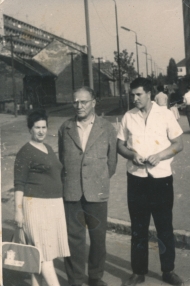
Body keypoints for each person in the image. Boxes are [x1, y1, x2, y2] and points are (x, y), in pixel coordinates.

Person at [117, 78, 183, 286]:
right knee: (138, 227)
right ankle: (138, 272)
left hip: (161, 179)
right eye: (132, 94)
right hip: (136, 179)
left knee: (164, 226)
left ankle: (168, 271)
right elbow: (120, 145)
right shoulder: (129, 117)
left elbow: (178, 144)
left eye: (138, 94)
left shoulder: (165, 114)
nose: (134, 98)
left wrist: (160, 156)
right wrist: (131, 154)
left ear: (149, 94)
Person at [58, 86, 117, 286]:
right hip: (72, 191)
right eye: (75, 102)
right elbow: (62, 159)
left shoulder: (107, 128)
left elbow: (112, 162)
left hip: (97, 191)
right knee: (73, 238)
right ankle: (74, 279)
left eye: (83, 102)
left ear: (93, 103)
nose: (79, 106)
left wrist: (97, 179)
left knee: (98, 238)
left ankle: (95, 277)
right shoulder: (64, 127)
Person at [14, 109, 70, 286]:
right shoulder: (25, 152)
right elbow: (19, 184)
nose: (41, 131)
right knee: (43, 254)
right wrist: (18, 212)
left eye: (44, 127)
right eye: (37, 127)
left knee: (40, 255)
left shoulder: (48, 148)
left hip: (53, 206)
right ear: (30, 129)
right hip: (35, 206)